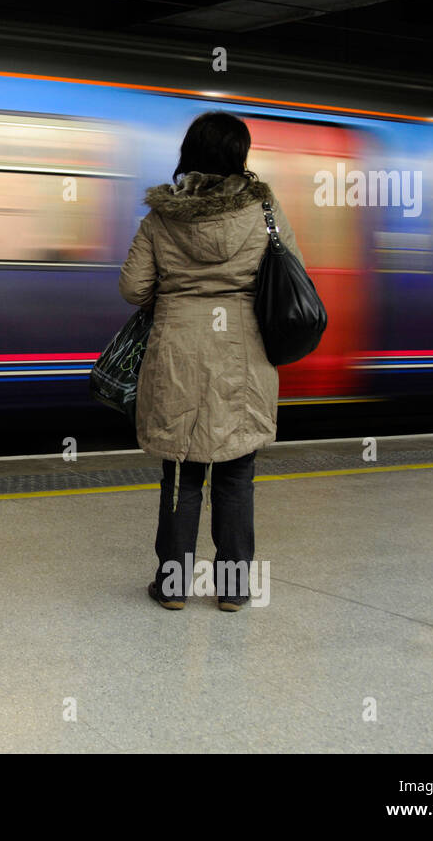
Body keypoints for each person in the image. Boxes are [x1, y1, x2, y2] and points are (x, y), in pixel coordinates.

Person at [118, 112, 302, 612]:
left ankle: (174, 586)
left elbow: (133, 287)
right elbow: (293, 271)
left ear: (189, 154)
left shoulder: (161, 216)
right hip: (242, 350)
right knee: (237, 472)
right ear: (239, 156)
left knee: (182, 470)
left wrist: (177, 290)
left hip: (177, 347)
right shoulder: (264, 209)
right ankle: (235, 588)